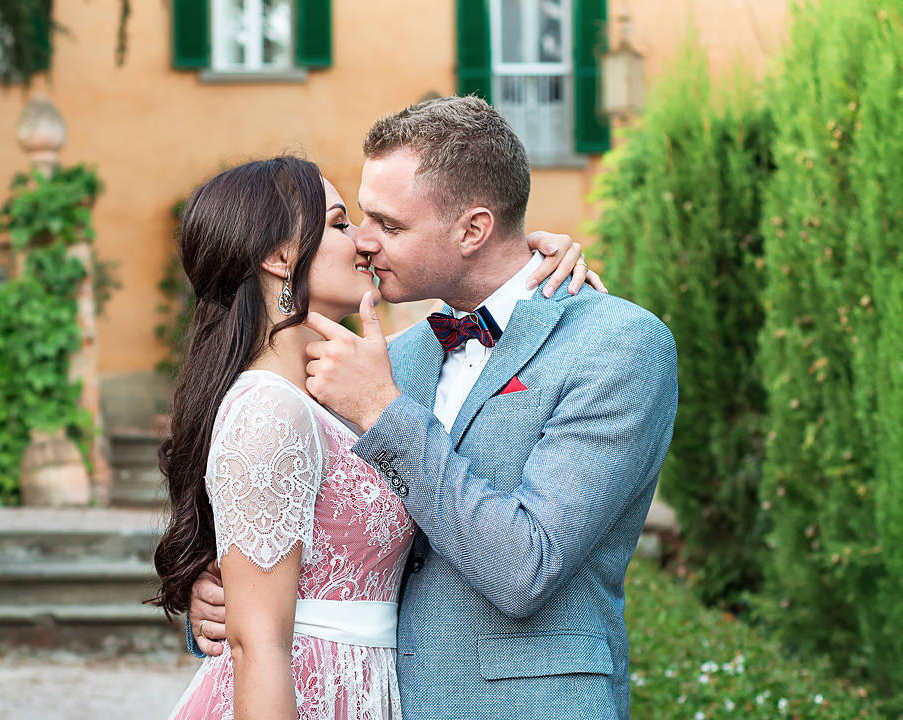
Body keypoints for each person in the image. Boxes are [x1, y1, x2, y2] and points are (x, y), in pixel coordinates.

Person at [190, 97, 679, 720]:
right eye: (360, 218)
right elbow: (303, 525)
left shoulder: (616, 346)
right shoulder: (393, 355)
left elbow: (527, 568)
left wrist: (385, 413)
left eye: (388, 226)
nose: (364, 243)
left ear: (473, 229)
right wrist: (218, 601)